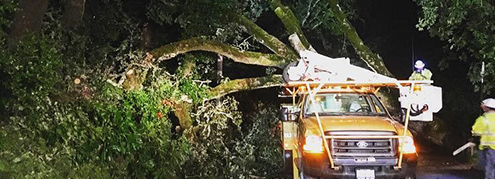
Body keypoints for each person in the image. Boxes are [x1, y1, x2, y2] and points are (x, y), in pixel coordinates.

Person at [472, 98, 495, 179]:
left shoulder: (483, 119)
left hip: (488, 148)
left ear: (486, 107)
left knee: (489, 169)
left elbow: (475, 132)